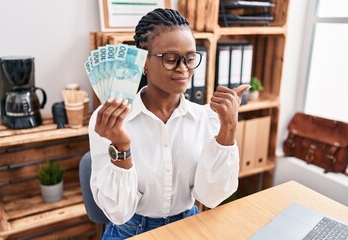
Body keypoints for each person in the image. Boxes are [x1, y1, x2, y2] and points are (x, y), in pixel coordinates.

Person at [89, 8, 251, 239]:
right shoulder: (108, 121)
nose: (184, 68)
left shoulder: (206, 118)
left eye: (191, 58)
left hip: (188, 227)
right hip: (130, 232)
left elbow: (211, 197)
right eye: (171, 59)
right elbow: (118, 212)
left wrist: (228, 131)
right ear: (143, 61)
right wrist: (121, 148)